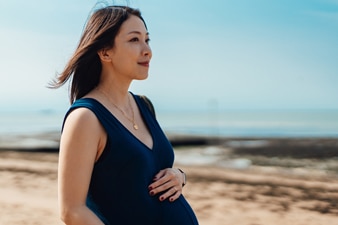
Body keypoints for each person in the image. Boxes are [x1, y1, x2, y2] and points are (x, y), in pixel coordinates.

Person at [50, 5, 199, 225]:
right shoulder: (86, 118)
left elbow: (147, 171)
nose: (147, 50)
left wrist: (179, 175)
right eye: (134, 40)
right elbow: (72, 211)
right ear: (105, 51)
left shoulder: (144, 106)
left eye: (147, 40)